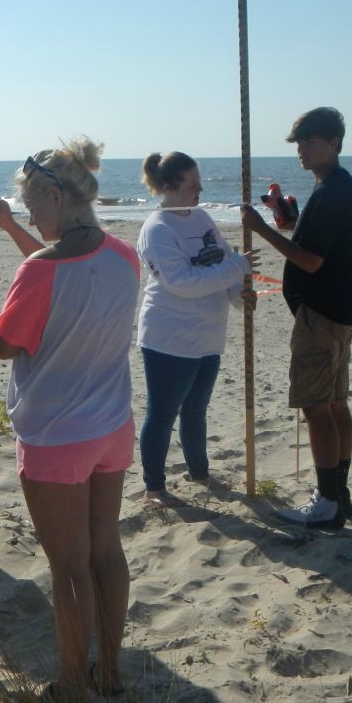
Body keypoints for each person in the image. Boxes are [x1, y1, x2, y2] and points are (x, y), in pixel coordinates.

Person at [0, 138, 138, 703]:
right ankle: (108, 671)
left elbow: (3, 344)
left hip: (58, 435)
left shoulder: (40, 272)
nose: (33, 219)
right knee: (105, 551)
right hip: (112, 427)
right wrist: (14, 228)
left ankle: (70, 682)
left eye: (34, 207)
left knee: (68, 565)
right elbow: (62, 263)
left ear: (57, 196)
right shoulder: (123, 255)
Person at [241, 107, 352, 529]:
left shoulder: (333, 192)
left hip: (324, 312)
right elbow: (316, 245)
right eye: (299, 143)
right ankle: (339, 495)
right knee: (333, 402)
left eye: (310, 142)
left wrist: (260, 229)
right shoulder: (334, 187)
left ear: (333, 143)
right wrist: (289, 222)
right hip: (336, 307)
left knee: (316, 406)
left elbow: (310, 261)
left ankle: (328, 501)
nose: (302, 151)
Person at [135, 152, 257, 506]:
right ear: (170, 187)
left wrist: (240, 295)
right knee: (162, 412)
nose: (200, 190)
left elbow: (222, 263)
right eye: (192, 184)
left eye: (199, 183)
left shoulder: (201, 218)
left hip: (208, 336)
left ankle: (199, 471)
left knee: (196, 410)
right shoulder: (157, 229)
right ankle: (154, 486)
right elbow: (183, 282)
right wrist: (237, 268)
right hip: (169, 338)